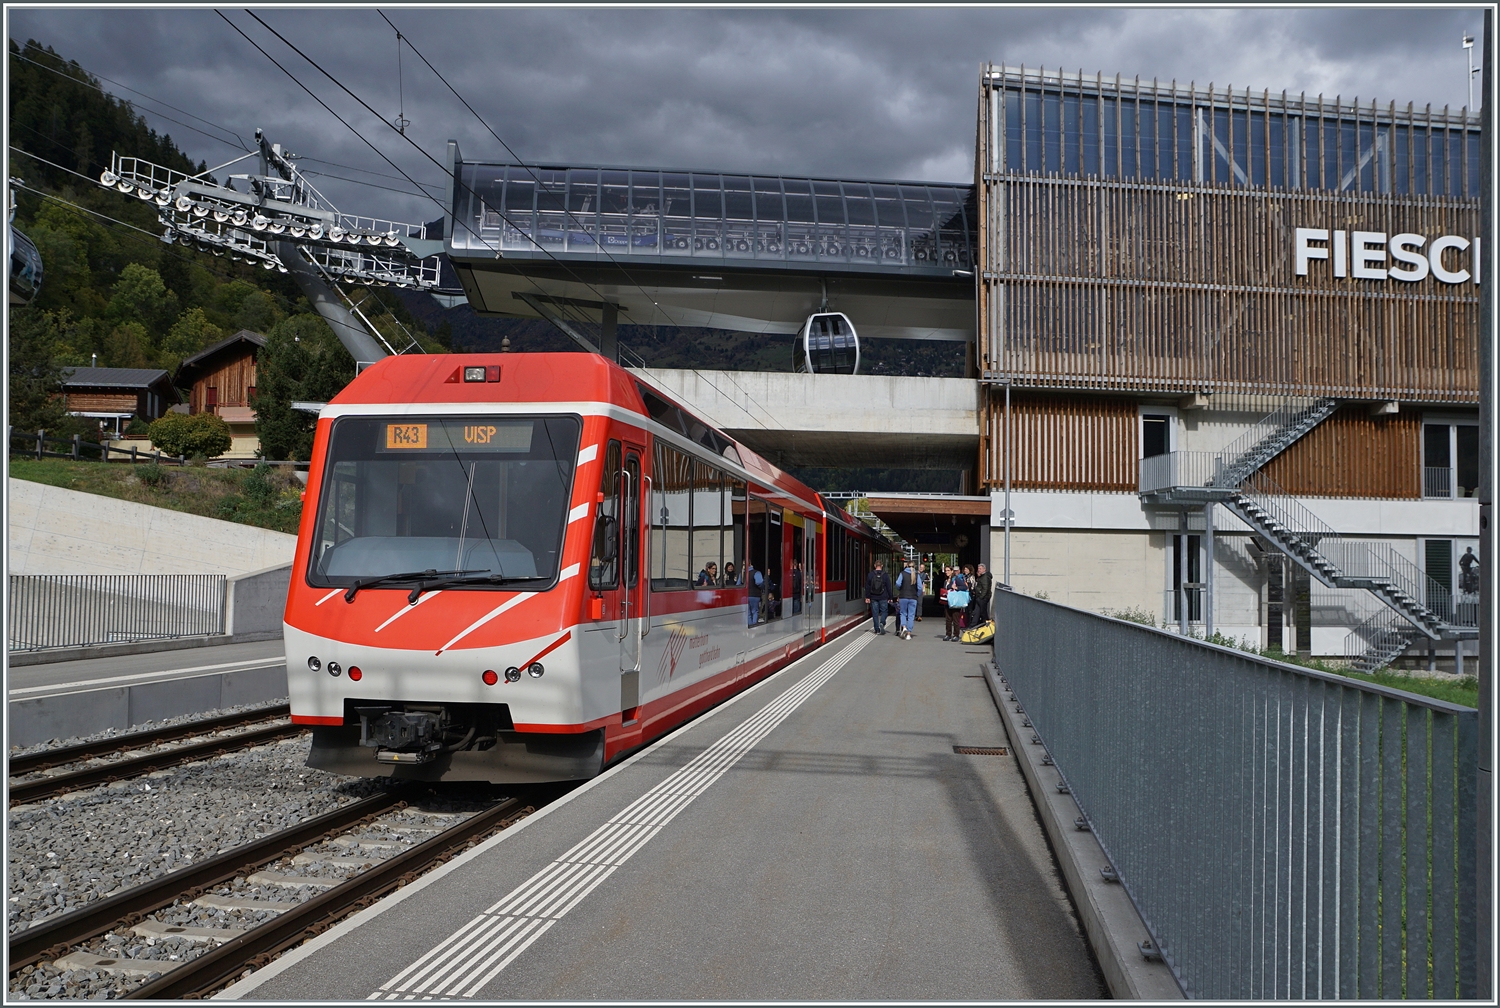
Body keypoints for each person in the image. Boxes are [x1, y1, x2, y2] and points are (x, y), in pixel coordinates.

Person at [864, 559, 894, 635]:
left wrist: (867, 597)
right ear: (882, 566)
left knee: (875, 613)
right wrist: (890, 597)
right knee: (884, 611)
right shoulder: (885, 575)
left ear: (875, 566)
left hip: (873, 597)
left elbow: (867, 587)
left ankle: (877, 629)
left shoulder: (870, 575)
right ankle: (882, 622)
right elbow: (888, 587)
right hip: (883, 597)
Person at [895, 560, 922, 640]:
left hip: (903, 596)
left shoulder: (902, 573)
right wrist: (917, 594)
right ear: (914, 566)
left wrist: (900, 589)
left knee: (903, 613)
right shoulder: (917, 575)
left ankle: (904, 627)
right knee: (911, 615)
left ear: (907, 566)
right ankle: (909, 634)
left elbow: (897, 583)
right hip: (913, 597)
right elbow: (920, 587)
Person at [945, 566, 969, 642]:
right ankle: (948, 634)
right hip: (948, 601)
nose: (946, 572)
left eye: (948, 570)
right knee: (948, 619)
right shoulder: (946, 580)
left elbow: (964, 587)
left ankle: (956, 635)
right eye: (946, 570)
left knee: (955, 619)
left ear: (952, 571)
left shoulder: (956, 578)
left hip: (955, 601)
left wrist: (956, 587)